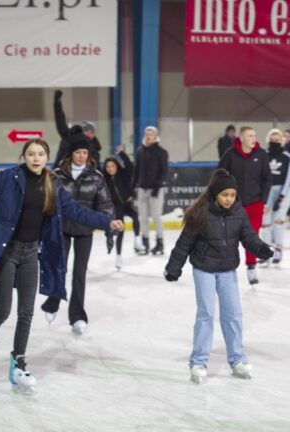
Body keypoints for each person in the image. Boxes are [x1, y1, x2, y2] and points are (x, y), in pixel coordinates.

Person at [0, 138, 123, 392]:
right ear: (24, 156)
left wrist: (106, 222)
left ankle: (18, 365)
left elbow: (76, 211)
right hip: (7, 253)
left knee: (27, 312)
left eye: (40, 154)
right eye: (31, 154)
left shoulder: (52, 184)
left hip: (31, 255)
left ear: (47, 157)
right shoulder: (9, 178)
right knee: (4, 309)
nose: (35, 158)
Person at [164, 169, 273, 384]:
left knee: (233, 314)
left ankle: (237, 359)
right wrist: (173, 267)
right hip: (204, 269)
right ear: (215, 194)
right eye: (225, 195)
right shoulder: (200, 213)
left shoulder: (238, 212)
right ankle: (198, 361)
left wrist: (262, 250)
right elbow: (184, 243)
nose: (229, 200)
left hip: (227, 270)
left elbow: (249, 237)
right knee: (206, 314)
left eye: (232, 195)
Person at [40, 136, 115, 334]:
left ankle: (77, 316)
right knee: (59, 269)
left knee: (79, 274)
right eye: (77, 152)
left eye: (85, 152)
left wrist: (109, 230)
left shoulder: (96, 176)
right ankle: (53, 302)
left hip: (84, 230)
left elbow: (105, 204)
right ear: (70, 154)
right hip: (61, 229)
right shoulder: (57, 175)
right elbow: (46, 203)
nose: (81, 156)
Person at [218, 126, 272, 285]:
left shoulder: (261, 155)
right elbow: (219, 174)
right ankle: (227, 267)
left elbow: (267, 179)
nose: (253, 138)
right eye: (249, 136)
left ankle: (251, 267)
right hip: (234, 204)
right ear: (241, 138)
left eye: (254, 135)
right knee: (229, 237)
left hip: (255, 203)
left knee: (252, 236)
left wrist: (263, 199)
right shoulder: (230, 154)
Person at [103, 145, 146, 269]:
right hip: (117, 207)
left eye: (113, 166)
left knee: (135, 216)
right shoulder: (104, 179)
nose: (110, 169)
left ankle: (137, 240)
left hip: (127, 203)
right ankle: (118, 256)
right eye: (108, 167)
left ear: (117, 166)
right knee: (120, 230)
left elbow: (130, 166)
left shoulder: (123, 174)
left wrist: (122, 153)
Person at [259, 129, 290, 266]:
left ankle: (278, 249)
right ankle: (266, 253)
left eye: (277, 140)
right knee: (266, 223)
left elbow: (289, 178)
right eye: (272, 140)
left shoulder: (288, 157)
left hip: (282, 191)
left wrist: (281, 197)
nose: (275, 142)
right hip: (267, 192)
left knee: (278, 222)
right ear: (268, 140)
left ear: (282, 140)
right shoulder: (263, 155)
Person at [134, 126, 169, 255]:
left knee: (155, 216)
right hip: (142, 189)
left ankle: (160, 243)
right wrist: (134, 187)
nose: (148, 136)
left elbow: (164, 172)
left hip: (156, 190)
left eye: (151, 134)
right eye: (146, 134)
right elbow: (136, 171)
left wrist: (157, 187)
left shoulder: (161, 152)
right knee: (143, 217)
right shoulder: (140, 151)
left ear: (155, 136)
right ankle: (145, 243)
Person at [52, 90, 102, 166]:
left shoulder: (95, 147)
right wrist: (57, 103)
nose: (89, 133)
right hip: (65, 172)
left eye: (92, 131)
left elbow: (96, 165)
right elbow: (60, 121)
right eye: (86, 130)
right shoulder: (69, 137)